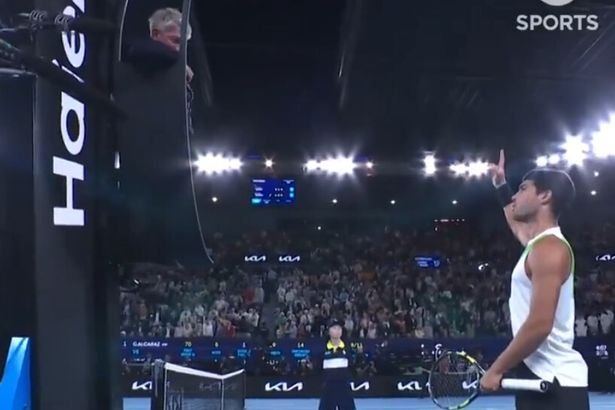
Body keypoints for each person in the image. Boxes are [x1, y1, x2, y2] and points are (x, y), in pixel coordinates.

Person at [480, 150, 589, 409]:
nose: (515, 197)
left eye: (522, 189)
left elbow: (540, 324)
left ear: (544, 196)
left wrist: (496, 369)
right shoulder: (537, 245)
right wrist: (500, 184)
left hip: (556, 385)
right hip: (540, 380)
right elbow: (516, 224)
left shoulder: (549, 249)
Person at [318, 319, 356, 410]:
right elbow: (318, 369)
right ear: (329, 331)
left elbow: (352, 367)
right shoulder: (322, 349)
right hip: (328, 389)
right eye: (334, 328)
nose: (337, 330)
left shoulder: (348, 349)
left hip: (344, 388)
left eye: (339, 328)